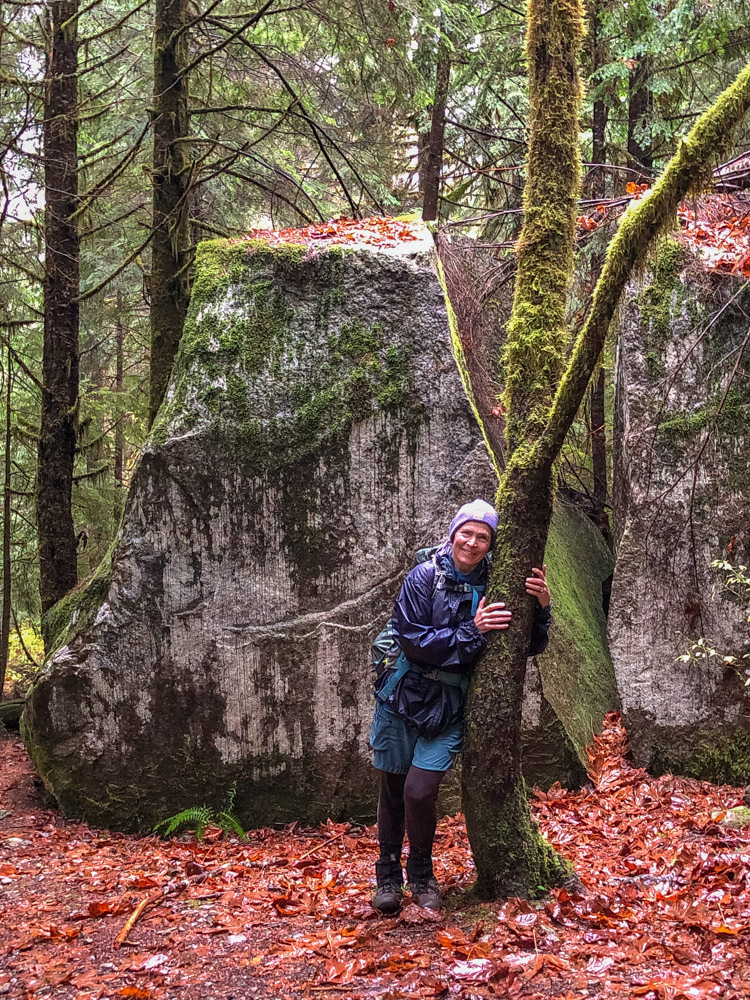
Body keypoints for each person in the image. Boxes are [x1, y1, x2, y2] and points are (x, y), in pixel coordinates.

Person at [369, 498, 552, 913]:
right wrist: (472, 630)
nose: (471, 542)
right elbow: (414, 642)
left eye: (482, 537)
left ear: (491, 545)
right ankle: (387, 876)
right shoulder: (423, 577)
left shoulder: (497, 585)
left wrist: (541, 608)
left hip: (450, 704)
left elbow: (527, 644)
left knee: (420, 791)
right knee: (393, 789)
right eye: (465, 533)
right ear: (453, 534)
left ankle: (421, 872)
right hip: (402, 696)